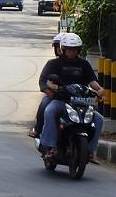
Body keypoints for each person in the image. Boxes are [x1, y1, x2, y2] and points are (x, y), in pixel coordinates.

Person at [39, 33, 105, 164]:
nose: (72, 52)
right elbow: (46, 81)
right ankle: (49, 147)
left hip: (81, 101)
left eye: (74, 49)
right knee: (50, 111)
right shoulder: (54, 64)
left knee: (98, 119)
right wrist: (53, 88)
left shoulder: (84, 64)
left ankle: (91, 151)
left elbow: (92, 81)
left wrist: (99, 90)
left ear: (79, 50)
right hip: (62, 100)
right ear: (63, 49)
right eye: (69, 49)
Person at [28, 32, 65, 139]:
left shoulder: (80, 63)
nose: (59, 49)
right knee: (44, 105)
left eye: (62, 47)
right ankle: (38, 129)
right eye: (57, 47)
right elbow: (43, 81)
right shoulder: (52, 63)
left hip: (74, 97)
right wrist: (48, 91)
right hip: (57, 96)